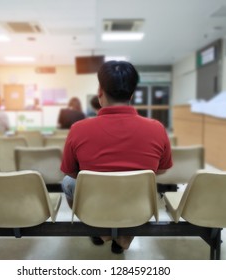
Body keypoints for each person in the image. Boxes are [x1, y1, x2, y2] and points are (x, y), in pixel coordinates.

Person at [60, 61, 173, 254]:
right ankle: (124, 237)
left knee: (67, 182)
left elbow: (71, 171)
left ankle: (99, 228)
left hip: (94, 204)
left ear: (100, 91)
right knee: (147, 184)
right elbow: (161, 169)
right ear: (131, 94)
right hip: (138, 205)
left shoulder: (78, 129)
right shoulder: (156, 128)